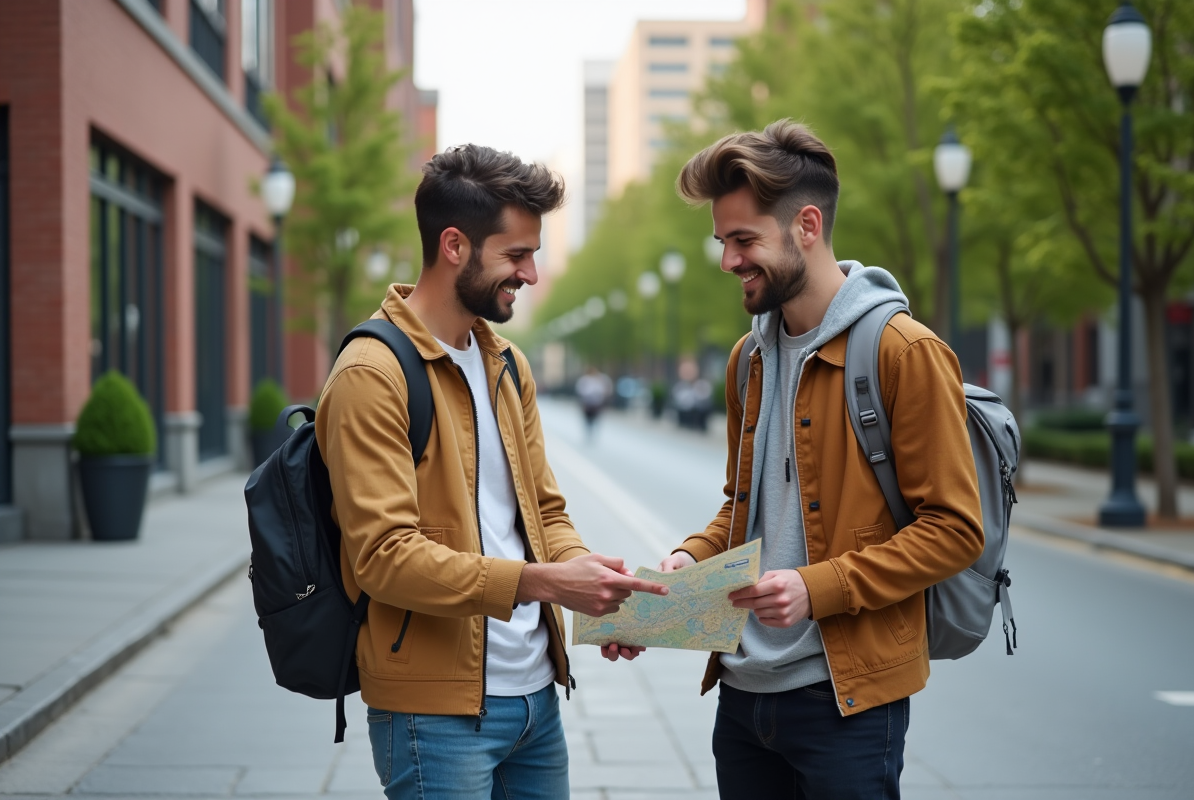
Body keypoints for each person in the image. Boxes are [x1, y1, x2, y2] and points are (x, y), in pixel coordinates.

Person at [315, 144, 667, 800]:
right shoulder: (373, 375)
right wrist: (544, 583)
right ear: (454, 246)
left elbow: (543, 511)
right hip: (434, 714)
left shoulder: (506, 363)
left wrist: (592, 591)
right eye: (516, 255)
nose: (531, 274)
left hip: (536, 701)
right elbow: (383, 559)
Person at [654, 120, 985, 798]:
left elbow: (954, 529)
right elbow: (744, 510)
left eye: (744, 240)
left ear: (806, 225)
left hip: (847, 704)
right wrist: (691, 562)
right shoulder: (746, 361)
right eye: (723, 242)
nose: (728, 261)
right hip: (742, 697)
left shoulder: (904, 352)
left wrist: (817, 587)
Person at [574, 366, 612, 440]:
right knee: (587, 417)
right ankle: (589, 429)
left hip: (597, 402)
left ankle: (593, 429)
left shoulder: (601, 379)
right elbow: (580, 390)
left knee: (596, 417)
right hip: (587, 401)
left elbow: (607, 388)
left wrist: (604, 396)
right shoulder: (584, 379)